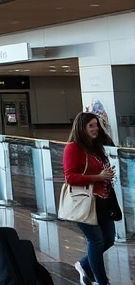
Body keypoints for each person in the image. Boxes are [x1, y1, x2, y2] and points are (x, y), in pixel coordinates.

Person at [64, 112, 120, 285]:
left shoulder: (96, 147)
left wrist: (106, 175)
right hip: (85, 202)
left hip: (103, 200)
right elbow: (70, 177)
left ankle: (83, 264)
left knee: (108, 239)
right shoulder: (73, 148)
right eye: (91, 126)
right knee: (96, 241)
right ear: (81, 128)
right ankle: (102, 281)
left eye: (96, 125)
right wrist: (98, 177)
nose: (95, 129)